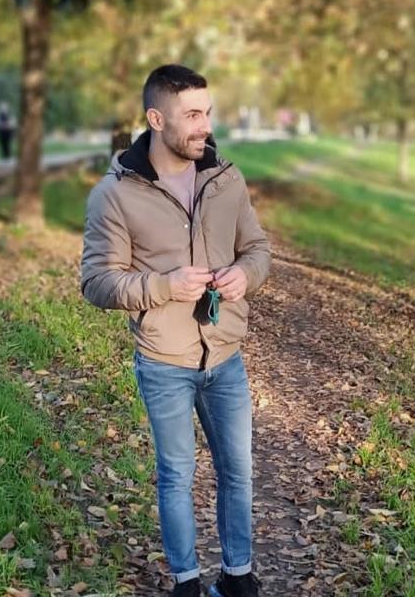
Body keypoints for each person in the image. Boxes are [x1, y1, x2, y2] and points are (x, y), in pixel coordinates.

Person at [80, 64, 271, 597]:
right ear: (156, 119)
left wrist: (245, 275)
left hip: (226, 357)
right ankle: (187, 583)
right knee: (177, 476)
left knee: (238, 471)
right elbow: (96, 283)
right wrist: (163, 285)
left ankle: (237, 578)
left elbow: (257, 248)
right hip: (165, 361)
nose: (204, 125)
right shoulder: (115, 195)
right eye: (191, 115)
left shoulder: (225, 178)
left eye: (207, 112)